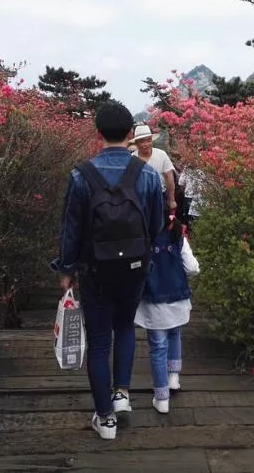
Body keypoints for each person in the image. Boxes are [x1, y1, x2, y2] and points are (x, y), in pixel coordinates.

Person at [52, 102, 164, 440]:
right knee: (126, 327)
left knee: (100, 341)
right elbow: (156, 225)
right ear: (131, 134)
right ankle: (122, 395)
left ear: (97, 132)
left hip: (95, 270)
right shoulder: (145, 174)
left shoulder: (81, 175)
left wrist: (67, 268)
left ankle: (106, 420)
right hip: (134, 268)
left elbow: (71, 228)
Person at [134, 211, 200, 414]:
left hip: (153, 299)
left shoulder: (141, 236)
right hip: (177, 297)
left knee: (157, 347)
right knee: (175, 333)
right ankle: (174, 378)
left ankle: (161, 398)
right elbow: (193, 268)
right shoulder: (178, 234)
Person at [129, 124, 177, 213]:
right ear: (136, 143)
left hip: (159, 197)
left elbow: (169, 180)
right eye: (142, 141)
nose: (146, 144)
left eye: (148, 140)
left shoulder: (161, 155)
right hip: (138, 199)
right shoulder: (132, 158)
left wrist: (172, 200)